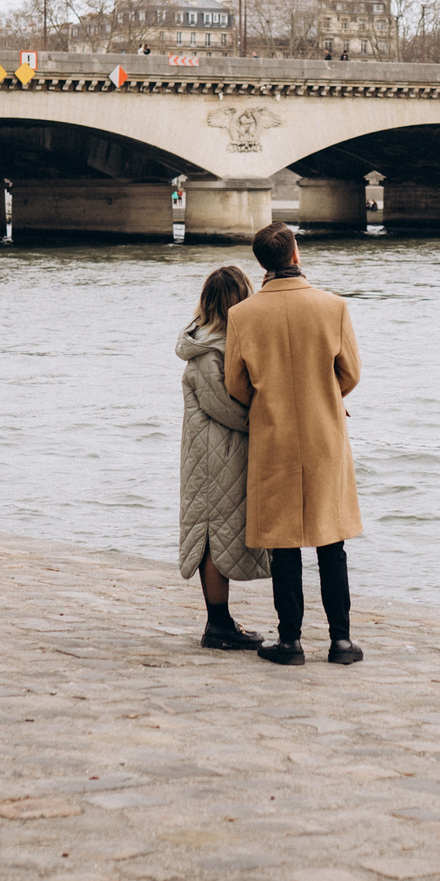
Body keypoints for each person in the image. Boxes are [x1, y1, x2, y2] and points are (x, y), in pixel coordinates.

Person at [226, 223, 365, 668]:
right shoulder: (333, 306)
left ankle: (290, 642)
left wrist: (270, 402)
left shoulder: (242, 315)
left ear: (262, 263)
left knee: (284, 545)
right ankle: (341, 642)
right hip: (324, 434)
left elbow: (236, 384)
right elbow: (351, 374)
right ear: (296, 254)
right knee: (332, 542)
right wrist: (323, 395)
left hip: (274, 437)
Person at [176, 265, 265, 652]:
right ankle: (218, 624)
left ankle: (222, 621)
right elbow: (228, 410)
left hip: (214, 452)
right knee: (212, 535)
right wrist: (271, 418)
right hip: (215, 456)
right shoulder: (209, 352)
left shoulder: (213, 343)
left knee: (217, 532)